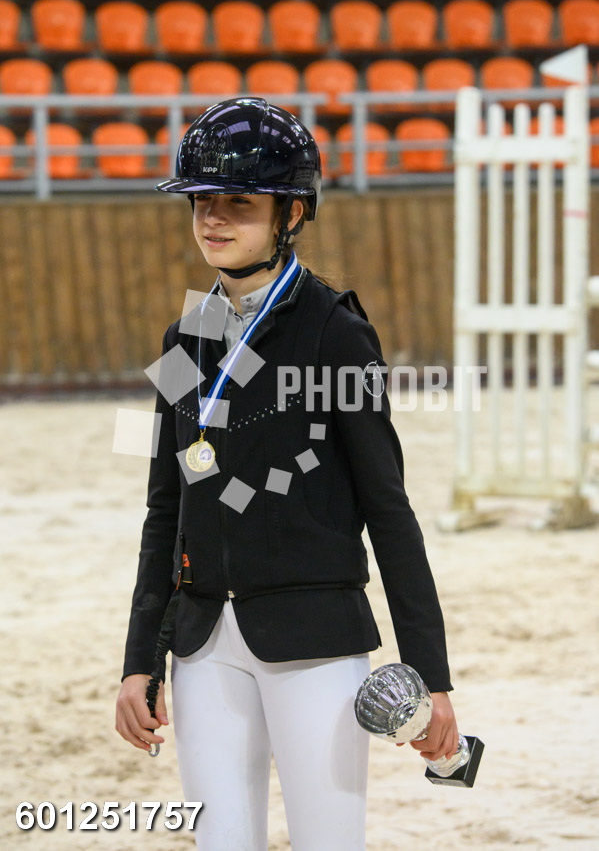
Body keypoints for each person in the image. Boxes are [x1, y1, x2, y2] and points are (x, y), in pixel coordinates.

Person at [115, 97, 458, 850]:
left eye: (238, 201)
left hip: (315, 644)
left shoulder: (337, 332)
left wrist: (430, 673)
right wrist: (140, 659)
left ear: (291, 212)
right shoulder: (184, 337)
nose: (212, 218)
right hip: (203, 645)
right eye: (201, 201)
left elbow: (388, 508)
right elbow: (165, 507)